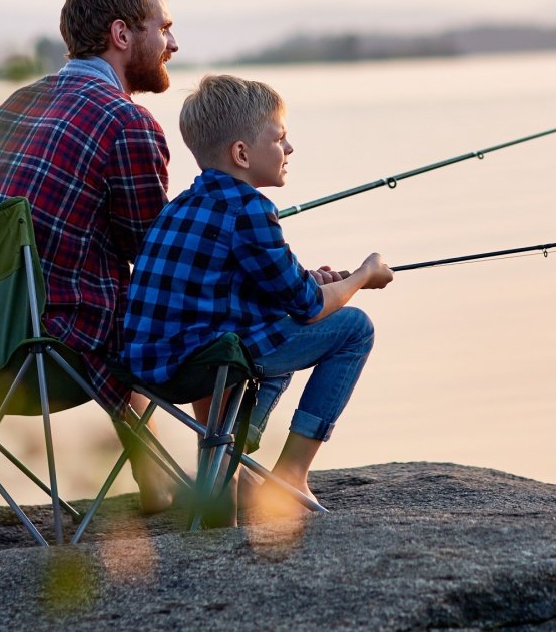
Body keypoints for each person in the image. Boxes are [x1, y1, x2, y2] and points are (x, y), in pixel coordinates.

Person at [0, 0, 181, 511]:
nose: (173, 42)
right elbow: (153, 262)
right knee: (172, 301)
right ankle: (205, 482)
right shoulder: (127, 123)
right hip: (42, 355)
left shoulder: (13, 105)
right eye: (163, 27)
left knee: (108, 296)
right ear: (122, 35)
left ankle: (156, 477)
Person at [121, 74, 393, 515]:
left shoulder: (180, 206)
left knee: (273, 324)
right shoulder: (250, 209)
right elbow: (307, 306)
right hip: (205, 365)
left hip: (149, 369)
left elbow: (239, 282)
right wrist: (363, 275)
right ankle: (289, 473)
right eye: (280, 138)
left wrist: (311, 278)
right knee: (354, 328)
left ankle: (231, 466)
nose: (289, 149)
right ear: (242, 154)